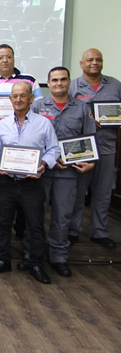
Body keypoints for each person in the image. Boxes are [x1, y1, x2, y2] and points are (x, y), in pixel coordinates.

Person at [0, 82, 60, 284]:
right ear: (10, 99)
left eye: (23, 95)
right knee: (3, 224)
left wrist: (44, 164)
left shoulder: (43, 123)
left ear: (31, 98)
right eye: (15, 96)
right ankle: (3, 260)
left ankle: (35, 263)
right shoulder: (2, 124)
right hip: (6, 182)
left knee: (35, 225)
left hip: (32, 184)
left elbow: (54, 149)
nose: (18, 99)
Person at [30, 67, 96, 277]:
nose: (59, 83)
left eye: (63, 79)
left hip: (69, 171)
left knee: (63, 215)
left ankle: (58, 257)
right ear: (48, 83)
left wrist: (90, 162)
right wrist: (48, 159)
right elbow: (29, 138)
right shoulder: (37, 106)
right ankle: (33, 255)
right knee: (35, 213)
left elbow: (90, 139)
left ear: (69, 82)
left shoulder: (82, 108)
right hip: (41, 169)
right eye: (55, 80)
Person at [0, 44, 42, 241]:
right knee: (0, 188)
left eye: (8, 57)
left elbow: (38, 108)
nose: (5, 60)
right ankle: (0, 226)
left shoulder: (30, 80)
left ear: (14, 58)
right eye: (0, 57)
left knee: (26, 189)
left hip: (27, 142)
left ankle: (21, 227)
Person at [68, 48, 121, 249]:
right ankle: (73, 231)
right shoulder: (73, 87)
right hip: (81, 147)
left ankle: (100, 232)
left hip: (107, 146)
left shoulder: (115, 85)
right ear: (81, 64)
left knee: (103, 191)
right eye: (90, 60)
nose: (94, 63)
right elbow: (68, 113)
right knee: (78, 192)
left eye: (98, 59)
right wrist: (88, 120)